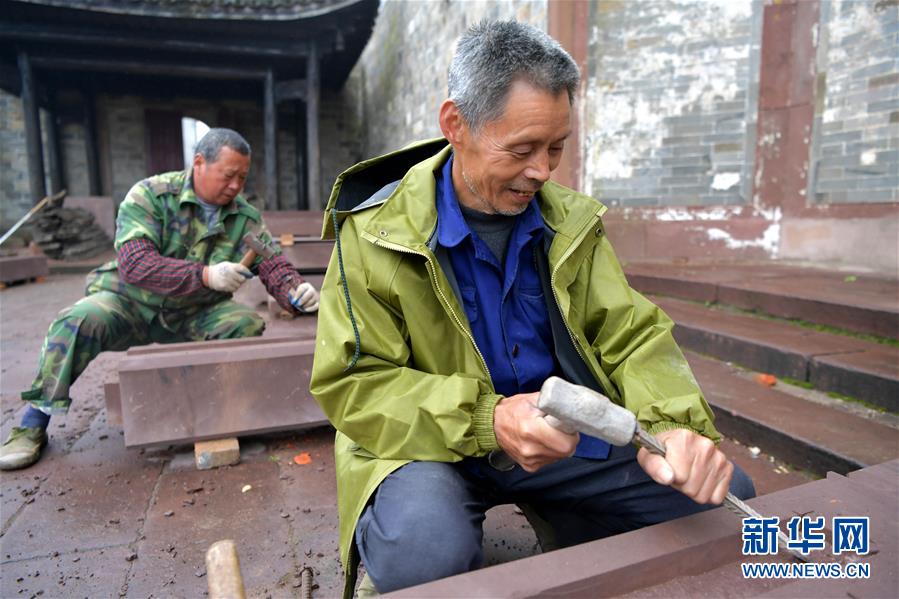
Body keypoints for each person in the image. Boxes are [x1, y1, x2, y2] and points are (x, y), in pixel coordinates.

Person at [310, 21, 754, 597]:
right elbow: (354, 382)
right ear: (456, 125)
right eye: (522, 150)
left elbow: (630, 334)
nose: (543, 171)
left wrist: (674, 425)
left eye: (556, 147)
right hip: (429, 446)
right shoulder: (375, 233)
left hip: (562, 440)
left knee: (720, 498)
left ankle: (570, 516)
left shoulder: (570, 222)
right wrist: (489, 420)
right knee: (423, 555)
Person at [0, 128, 320, 471]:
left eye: (242, 177)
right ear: (199, 162)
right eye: (228, 175)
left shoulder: (245, 217)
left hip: (194, 313)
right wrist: (206, 275)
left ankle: (216, 410)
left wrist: (294, 290)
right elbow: (135, 264)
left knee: (243, 323)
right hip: (130, 305)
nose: (235, 186)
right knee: (76, 321)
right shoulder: (151, 195)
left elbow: (272, 264)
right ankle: (33, 422)